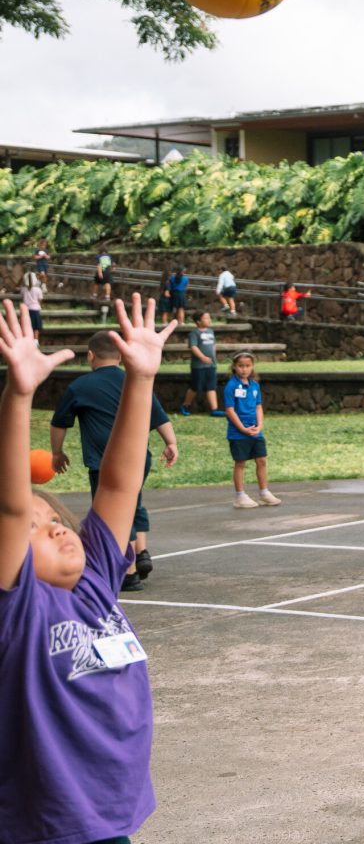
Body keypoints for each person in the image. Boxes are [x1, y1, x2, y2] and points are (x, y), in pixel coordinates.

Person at [0, 294, 173, 844]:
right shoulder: (18, 605)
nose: (51, 526)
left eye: (52, 517)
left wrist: (140, 378)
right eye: (30, 530)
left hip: (107, 814)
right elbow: (9, 504)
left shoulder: (95, 582)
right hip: (50, 827)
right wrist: (18, 395)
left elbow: (121, 483)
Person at [51, 330, 179, 591]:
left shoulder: (80, 386)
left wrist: (58, 451)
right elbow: (158, 415)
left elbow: (59, 423)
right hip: (139, 458)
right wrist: (171, 442)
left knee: (113, 513)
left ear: (90, 356)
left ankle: (128, 572)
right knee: (135, 502)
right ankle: (141, 552)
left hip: (105, 462)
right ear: (122, 355)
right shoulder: (133, 381)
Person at [223, 350, 281, 509]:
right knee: (240, 463)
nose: (244, 369)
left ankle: (264, 493)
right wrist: (242, 428)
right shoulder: (231, 386)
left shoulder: (254, 385)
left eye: (247, 366)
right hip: (238, 433)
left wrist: (259, 426)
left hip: (255, 431)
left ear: (252, 367)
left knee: (261, 460)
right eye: (241, 366)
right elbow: (230, 410)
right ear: (234, 367)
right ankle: (240, 496)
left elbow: (258, 407)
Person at [179, 311, 225, 417]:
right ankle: (185, 405)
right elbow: (193, 347)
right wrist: (202, 357)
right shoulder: (194, 333)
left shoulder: (210, 331)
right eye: (206, 318)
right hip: (198, 366)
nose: (209, 320)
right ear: (198, 321)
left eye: (209, 318)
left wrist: (213, 358)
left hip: (211, 365)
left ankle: (214, 409)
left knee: (211, 386)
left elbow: (213, 346)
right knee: (195, 387)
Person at [20, 271, 43, 342]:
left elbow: (22, 298)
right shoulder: (38, 290)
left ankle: (27, 340)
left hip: (26, 310)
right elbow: (40, 300)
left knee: (27, 325)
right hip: (35, 309)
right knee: (36, 327)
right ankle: (36, 341)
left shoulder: (23, 289)